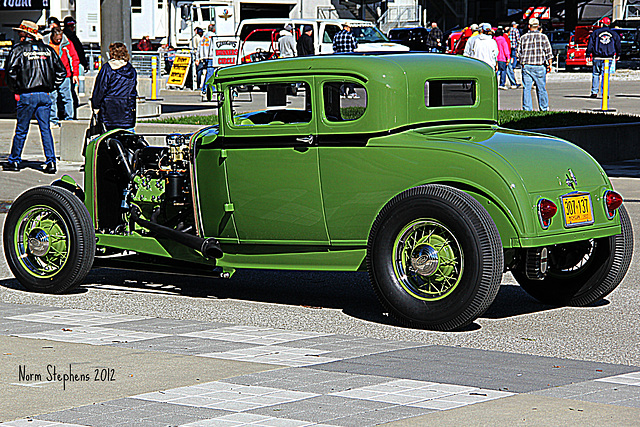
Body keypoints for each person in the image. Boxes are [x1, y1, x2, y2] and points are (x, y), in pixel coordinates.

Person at [3, 20, 66, 173]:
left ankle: (15, 160)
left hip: (27, 94)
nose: (19, 34)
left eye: (20, 32)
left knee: (22, 129)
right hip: (44, 94)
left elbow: (10, 72)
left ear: (25, 34)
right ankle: (51, 161)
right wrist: (51, 86)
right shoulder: (48, 50)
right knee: (45, 129)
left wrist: (16, 89)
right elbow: (62, 71)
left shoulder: (18, 50)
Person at [90, 42, 138, 131]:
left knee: (108, 139)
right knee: (129, 138)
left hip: (109, 111)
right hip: (127, 111)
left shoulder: (107, 69)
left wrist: (95, 106)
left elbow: (100, 89)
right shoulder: (131, 70)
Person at [44, 27, 80, 126]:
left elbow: (74, 58)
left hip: (65, 75)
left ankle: (70, 118)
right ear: (52, 36)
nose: (59, 41)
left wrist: (75, 74)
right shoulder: (45, 43)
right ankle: (53, 119)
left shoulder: (67, 43)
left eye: (60, 39)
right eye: (57, 39)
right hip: (51, 75)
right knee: (52, 97)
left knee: (67, 97)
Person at [517, 18, 553, 111]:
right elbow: (548, 52)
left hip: (527, 65)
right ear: (538, 26)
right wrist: (549, 64)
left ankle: (527, 108)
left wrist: (522, 62)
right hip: (539, 65)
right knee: (541, 88)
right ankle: (543, 107)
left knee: (527, 89)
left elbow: (518, 52)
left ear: (529, 26)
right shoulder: (543, 37)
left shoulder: (523, 37)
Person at [586, 17, 621, 98]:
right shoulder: (614, 34)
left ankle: (594, 92)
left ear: (601, 24)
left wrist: (588, 54)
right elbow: (618, 45)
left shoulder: (595, 33)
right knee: (605, 75)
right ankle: (605, 93)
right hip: (608, 57)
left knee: (595, 74)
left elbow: (590, 44)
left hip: (597, 56)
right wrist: (618, 54)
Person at [332, 23, 358, 98]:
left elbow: (334, 47)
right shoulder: (350, 35)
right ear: (347, 27)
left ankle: (342, 92)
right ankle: (351, 91)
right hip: (349, 57)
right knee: (350, 74)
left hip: (339, 58)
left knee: (341, 74)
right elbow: (355, 45)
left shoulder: (337, 35)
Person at [199, 24, 216, 96]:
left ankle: (205, 88)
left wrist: (200, 57)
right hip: (211, 56)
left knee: (209, 72)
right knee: (210, 73)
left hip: (204, 56)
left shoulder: (204, 36)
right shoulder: (214, 36)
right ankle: (206, 88)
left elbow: (199, 47)